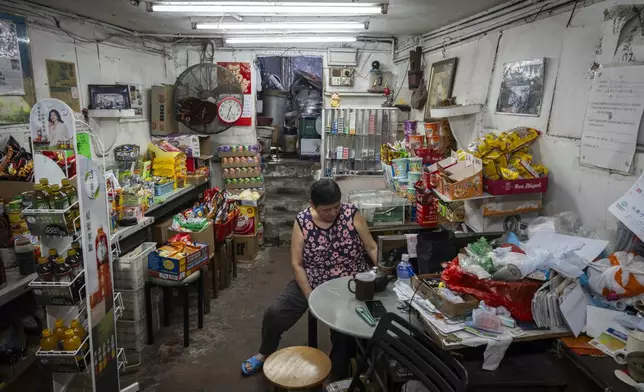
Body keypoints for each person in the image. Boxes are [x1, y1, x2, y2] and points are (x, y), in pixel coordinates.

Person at [241, 179, 378, 379]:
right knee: (275, 313)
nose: (333, 213)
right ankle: (264, 353)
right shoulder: (303, 221)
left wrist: (383, 271)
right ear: (313, 205)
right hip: (313, 280)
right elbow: (297, 264)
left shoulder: (352, 214)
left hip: (349, 282)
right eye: (326, 209)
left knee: (343, 330)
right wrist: (311, 296)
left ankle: (338, 372)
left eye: (336, 207)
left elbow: (371, 247)